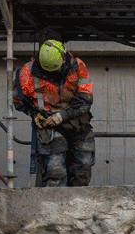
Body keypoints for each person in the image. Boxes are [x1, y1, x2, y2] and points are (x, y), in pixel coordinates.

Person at [14, 39, 95, 187]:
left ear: (64, 57)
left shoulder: (77, 66)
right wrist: (33, 113)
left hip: (78, 125)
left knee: (82, 169)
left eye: (57, 68)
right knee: (55, 172)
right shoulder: (28, 72)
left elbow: (86, 99)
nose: (56, 72)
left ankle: (77, 207)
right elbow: (17, 98)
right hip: (49, 127)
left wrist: (62, 116)